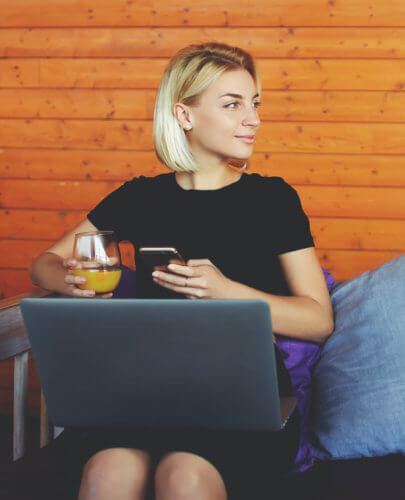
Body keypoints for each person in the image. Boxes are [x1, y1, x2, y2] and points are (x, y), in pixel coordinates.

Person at [28, 42, 334, 500]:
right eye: (232, 105)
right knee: (109, 473)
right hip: (143, 387)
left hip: (239, 396)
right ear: (184, 116)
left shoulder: (273, 200)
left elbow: (318, 320)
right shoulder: (139, 197)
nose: (252, 118)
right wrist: (69, 281)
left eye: (254, 104)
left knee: (184, 475)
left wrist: (226, 290)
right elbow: (43, 264)